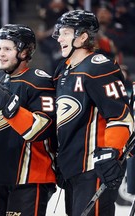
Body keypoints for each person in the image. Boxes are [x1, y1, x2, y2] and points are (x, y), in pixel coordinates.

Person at [52, 10, 134, 216]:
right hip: (73, 169)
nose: (59, 38)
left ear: (82, 36)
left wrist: (110, 153)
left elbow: (121, 116)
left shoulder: (99, 67)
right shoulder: (64, 70)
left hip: (94, 167)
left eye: (66, 33)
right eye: (59, 33)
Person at [0, 24, 57, 215]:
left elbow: (41, 129)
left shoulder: (40, 81)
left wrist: (9, 106)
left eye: (7, 49)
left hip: (31, 178)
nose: (0, 54)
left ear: (24, 52)